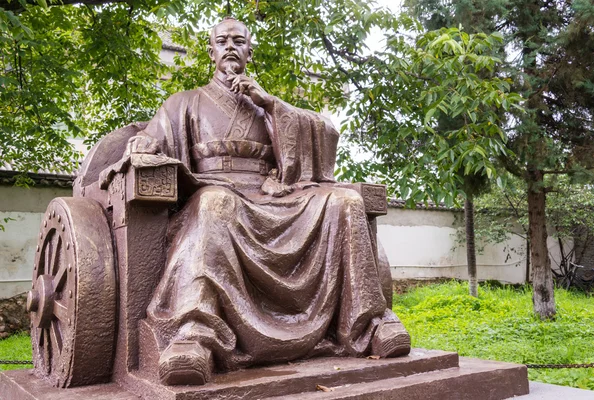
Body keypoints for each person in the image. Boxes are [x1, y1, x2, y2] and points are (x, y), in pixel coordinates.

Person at [127, 16, 410, 386]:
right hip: (215, 190)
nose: (230, 47)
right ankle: (195, 335)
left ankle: (369, 323)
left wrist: (271, 103)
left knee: (344, 203)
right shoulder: (185, 102)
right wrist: (147, 143)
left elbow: (323, 133)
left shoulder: (268, 105)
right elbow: (154, 138)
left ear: (249, 51)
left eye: (239, 41)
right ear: (210, 51)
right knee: (215, 205)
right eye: (223, 41)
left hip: (273, 194)